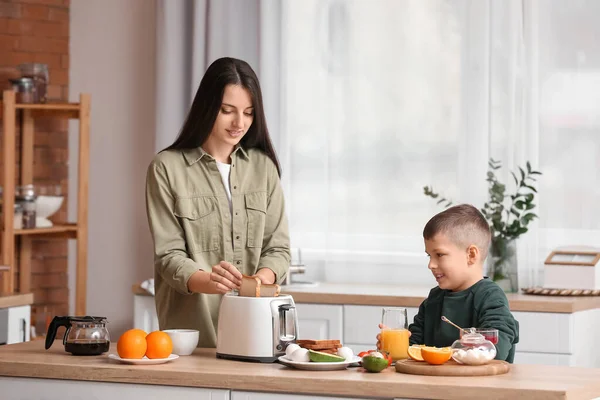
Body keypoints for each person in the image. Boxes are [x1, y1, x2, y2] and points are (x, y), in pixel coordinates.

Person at [145, 57, 291, 347]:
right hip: (192, 338)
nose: (240, 123)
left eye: (249, 113)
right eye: (227, 111)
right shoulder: (166, 168)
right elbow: (169, 256)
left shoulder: (264, 168)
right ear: (208, 106)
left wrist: (259, 281)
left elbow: (278, 248)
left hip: (257, 333)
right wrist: (208, 281)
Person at [376, 204, 519, 362]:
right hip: (434, 386)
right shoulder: (434, 299)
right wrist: (395, 346)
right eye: (429, 256)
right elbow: (413, 351)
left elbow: (495, 351)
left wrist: (457, 349)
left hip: (478, 386)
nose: (431, 264)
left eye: (440, 254)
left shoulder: (490, 297)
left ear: (471, 255)